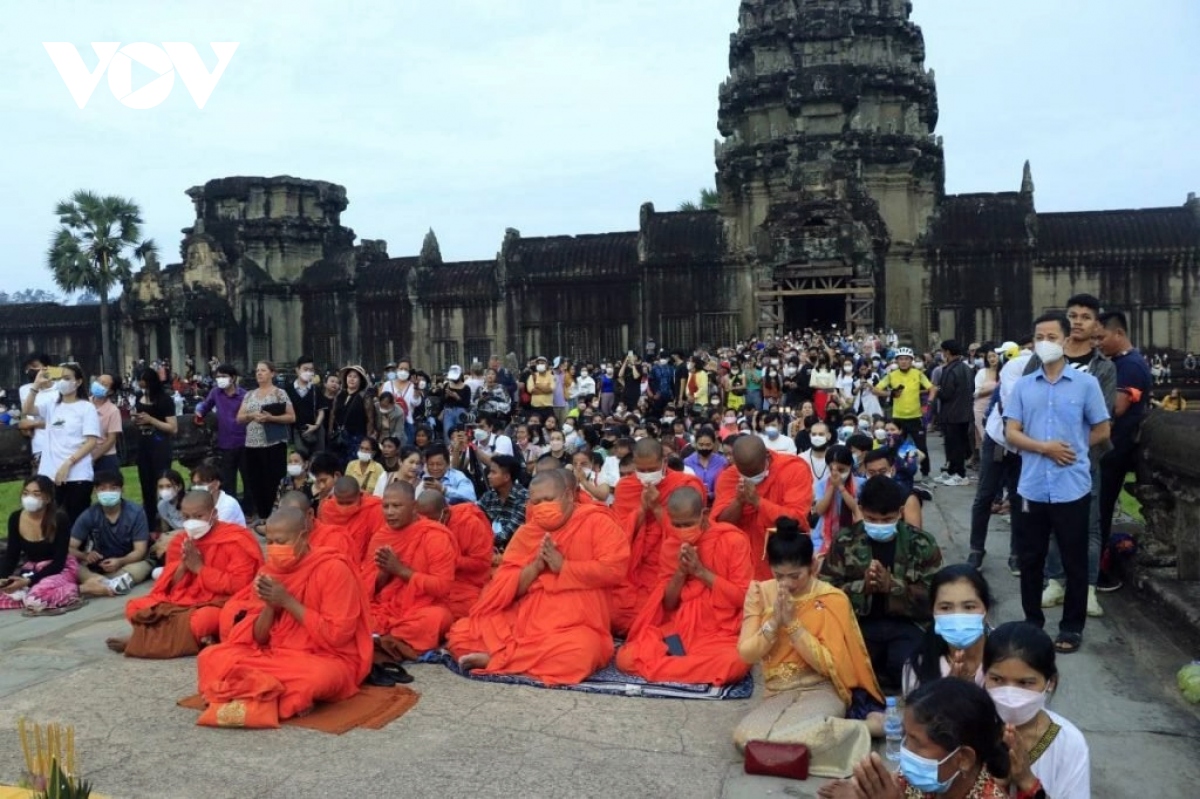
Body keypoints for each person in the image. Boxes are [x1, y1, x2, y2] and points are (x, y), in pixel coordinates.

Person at [447, 470, 630, 685]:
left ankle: (500, 659)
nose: (543, 507)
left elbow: (614, 571)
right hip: (526, 618)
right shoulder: (527, 533)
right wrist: (535, 567)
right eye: (537, 502)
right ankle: (516, 657)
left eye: (549, 500)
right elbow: (504, 586)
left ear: (569, 496)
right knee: (461, 634)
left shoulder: (597, 523)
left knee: (581, 652)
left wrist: (564, 567)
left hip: (576, 620)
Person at [197, 507, 373, 727]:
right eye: (269, 542)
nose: (273, 549)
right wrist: (270, 607)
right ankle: (276, 694)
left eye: (281, 542)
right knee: (211, 657)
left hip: (325, 658)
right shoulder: (268, 572)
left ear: (303, 537)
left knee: (314, 678)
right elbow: (259, 639)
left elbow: (337, 636)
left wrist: (288, 602)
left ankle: (252, 689)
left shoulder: (333, 569)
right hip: (275, 655)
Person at [1005, 312, 1110, 654]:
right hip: (1032, 485)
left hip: (1072, 485)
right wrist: (1044, 448)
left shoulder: (1086, 384)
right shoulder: (1024, 384)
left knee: (1074, 557)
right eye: (1039, 336)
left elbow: (1102, 429)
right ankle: (1032, 623)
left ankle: (1071, 627)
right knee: (1031, 557)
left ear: (1066, 340)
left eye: (1051, 336)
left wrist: (1077, 452)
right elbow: (1011, 432)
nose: (1045, 342)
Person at [732, 517, 883, 752]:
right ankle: (844, 730)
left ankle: (867, 727)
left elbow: (829, 664)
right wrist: (774, 622)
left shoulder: (832, 599)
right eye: (779, 575)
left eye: (795, 576)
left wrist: (792, 625)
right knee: (746, 739)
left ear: (812, 566)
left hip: (821, 687)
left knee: (800, 739)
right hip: (777, 691)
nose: (786, 584)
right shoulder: (760, 593)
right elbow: (747, 654)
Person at [615, 486, 752, 684]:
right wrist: (680, 573)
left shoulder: (732, 540)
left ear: (704, 515)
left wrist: (701, 573)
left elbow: (741, 597)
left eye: (688, 524)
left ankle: (670, 666)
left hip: (719, 631)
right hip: (679, 628)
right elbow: (669, 605)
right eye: (676, 525)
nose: (682, 531)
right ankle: (687, 665)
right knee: (626, 657)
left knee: (735, 662)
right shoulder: (671, 545)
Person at [820, 475, 943, 691]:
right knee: (848, 672)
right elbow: (825, 594)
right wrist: (862, 587)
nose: (878, 525)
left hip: (908, 625)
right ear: (861, 509)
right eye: (871, 519)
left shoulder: (921, 543)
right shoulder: (845, 541)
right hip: (859, 625)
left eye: (887, 520)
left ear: (900, 511)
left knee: (908, 670)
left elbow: (937, 599)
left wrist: (893, 587)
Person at [106, 489, 263, 657]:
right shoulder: (180, 541)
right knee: (135, 607)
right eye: (186, 517)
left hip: (216, 603)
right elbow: (167, 588)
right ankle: (196, 639)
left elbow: (239, 586)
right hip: (180, 602)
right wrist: (183, 565)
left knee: (204, 621)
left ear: (214, 514)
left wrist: (199, 569)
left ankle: (139, 639)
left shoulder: (235, 538)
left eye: (198, 516)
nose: (191, 522)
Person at [823, 678, 1010, 799]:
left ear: (963, 759)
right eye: (906, 737)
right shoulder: (925, 778)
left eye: (917, 743)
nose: (906, 751)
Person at [610, 438, 707, 635]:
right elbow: (619, 534)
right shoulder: (626, 487)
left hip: (671, 564)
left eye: (651, 469)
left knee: (657, 615)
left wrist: (655, 508)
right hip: (634, 566)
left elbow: (690, 534)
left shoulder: (685, 484)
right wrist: (642, 509)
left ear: (664, 461)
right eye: (641, 470)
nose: (646, 476)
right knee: (613, 612)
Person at [984, 622, 1090, 799]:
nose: (1010, 694)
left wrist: (1028, 782)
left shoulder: (1069, 743)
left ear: (1050, 683)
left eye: (1025, 683)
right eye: (997, 679)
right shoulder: (967, 729)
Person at [360, 481, 458, 663]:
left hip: (422, 608)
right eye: (386, 506)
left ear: (414, 507)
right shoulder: (381, 536)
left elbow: (442, 587)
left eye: (396, 506)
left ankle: (383, 638)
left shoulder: (435, 536)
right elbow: (366, 588)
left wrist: (400, 570)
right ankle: (386, 638)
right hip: (385, 607)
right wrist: (384, 573)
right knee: (356, 611)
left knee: (438, 618)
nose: (389, 512)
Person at [1095, 310, 1152, 593]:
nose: (1099, 343)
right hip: (1109, 450)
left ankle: (1097, 571)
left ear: (1119, 334)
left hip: (1116, 451)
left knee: (1101, 513)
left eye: (1101, 337)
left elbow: (1115, 408)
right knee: (1097, 511)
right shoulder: (1119, 362)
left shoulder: (1130, 365)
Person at [713, 435, 814, 580]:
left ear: (767, 454)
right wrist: (739, 502)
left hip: (783, 561)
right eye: (744, 474)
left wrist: (757, 502)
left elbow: (796, 519)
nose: (752, 478)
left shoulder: (793, 469)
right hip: (744, 562)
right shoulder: (729, 477)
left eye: (756, 473)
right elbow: (721, 525)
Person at [21, 363, 101, 524]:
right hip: (50, 473)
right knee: (50, 520)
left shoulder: (86, 408)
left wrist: (69, 463)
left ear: (78, 382)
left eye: (67, 378)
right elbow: (27, 410)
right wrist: (36, 385)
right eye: (61, 378)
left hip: (78, 474)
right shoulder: (52, 405)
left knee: (76, 521)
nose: (63, 382)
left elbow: (91, 441)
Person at [901, 564, 992, 694]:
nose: (958, 617)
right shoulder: (919, 664)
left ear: (986, 609)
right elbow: (916, 712)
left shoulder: (1005, 653)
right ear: (933, 612)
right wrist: (948, 693)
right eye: (945, 608)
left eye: (969, 607)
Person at [0, 476, 78, 612]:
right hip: (32, 570)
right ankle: (29, 594)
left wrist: (28, 582)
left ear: (47, 498)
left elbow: (58, 563)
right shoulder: (15, 518)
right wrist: (3, 578)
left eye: (36, 494)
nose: (29, 498)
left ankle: (77, 589)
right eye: (26, 493)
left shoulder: (60, 519)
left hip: (59, 569)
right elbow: (12, 555)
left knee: (36, 600)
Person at [69, 472, 153, 598]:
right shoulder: (89, 515)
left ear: (122, 490)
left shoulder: (136, 513)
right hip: (98, 566)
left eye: (113, 488)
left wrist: (120, 561)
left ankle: (99, 583)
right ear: (95, 491)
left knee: (144, 566)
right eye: (102, 489)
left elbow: (140, 550)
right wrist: (85, 556)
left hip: (128, 564)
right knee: (71, 565)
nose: (108, 492)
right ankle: (104, 582)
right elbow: (70, 547)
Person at [415, 490, 493, 619]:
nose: (425, 523)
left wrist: (452, 560)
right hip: (433, 581)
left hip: (465, 584)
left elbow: (483, 563)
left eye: (430, 519)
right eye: (421, 518)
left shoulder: (470, 523)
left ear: (444, 513)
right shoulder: (422, 524)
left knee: (463, 610)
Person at [237, 361, 295, 527]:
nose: (259, 374)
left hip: (274, 442)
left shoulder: (279, 393)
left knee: (274, 479)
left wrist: (271, 418)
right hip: (252, 443)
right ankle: (262, 515)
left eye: (263, 370)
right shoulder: (249, 395)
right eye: (257, 371)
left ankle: (274, 514)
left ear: (272, 373)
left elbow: (291, 417)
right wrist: (251, 415)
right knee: (256, 479)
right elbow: (239, 417)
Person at [873, 347, 937, 480]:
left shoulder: (918, 373)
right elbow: (876, 389)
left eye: (907, 359)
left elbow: (932, 388)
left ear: (911, 360)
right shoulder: (892, 375)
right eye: (901, 359)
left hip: (915, 417)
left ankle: (925, 474)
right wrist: (890, 393)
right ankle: (895, 472)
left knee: (921, 447)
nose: (904, 362)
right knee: (896, 447)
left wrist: (929, 403)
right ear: (897, 361)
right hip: (898, 419)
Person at [194, 363, 249, 518]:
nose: (220, 379)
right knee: (227, 480)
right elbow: (204, 406)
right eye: (218, 376)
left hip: (245, 441)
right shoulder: (216, 393)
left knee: (248, 478)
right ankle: (229, 510)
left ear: (233, 378)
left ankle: (249, 511)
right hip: (226, 443)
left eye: (223, 376)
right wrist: (198, 413)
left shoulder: (244, 395)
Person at [131, 367, 179, 531]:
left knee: (162, 480)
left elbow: (173, 427)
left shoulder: (164, 400)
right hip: (143, 442)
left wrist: (151, 419)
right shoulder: (139, 397)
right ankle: (150, 520)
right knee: (145, 482)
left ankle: (167, 518)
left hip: (159, 443)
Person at [810, 445, 866, 556]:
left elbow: (856, 508)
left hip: (855, 532)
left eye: (841, 470)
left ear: (850, 466)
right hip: (824, 535)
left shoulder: (861, 483)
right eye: (832, 469)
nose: (836, 474)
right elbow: (819, 511)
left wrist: (841, 488)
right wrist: (831, 487)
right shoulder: (822, 485)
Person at [318, 476, 385, 566]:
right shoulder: (327, 509)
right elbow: (323, 540)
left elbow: (378, 544)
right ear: (334, 497)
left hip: (363, 566)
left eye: (349, 503)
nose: (345, 508)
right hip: (334, 563)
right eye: (341, 503)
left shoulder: (374, 509)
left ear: (360, 495)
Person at [934, 340, 974, 486]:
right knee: (957, 444)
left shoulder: (950, 369)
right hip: (964, 412)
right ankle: (952, 471)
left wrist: (937, 391)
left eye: (943, 351)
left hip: (952, 413)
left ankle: (959, 473)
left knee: (954, 445)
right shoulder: (966, 368)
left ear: (948, 352)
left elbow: (946, 393)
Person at [862, 449, 922, 530]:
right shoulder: (863, 495)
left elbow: (915, 535)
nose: (877, 476)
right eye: (872, 473)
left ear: (892, 470)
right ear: (865, 472)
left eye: (882, 471)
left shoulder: (907, 498)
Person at [478, 454, 529, 550]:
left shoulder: (524, 498)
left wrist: (483, 542)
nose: (489, 476)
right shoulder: (489, 496)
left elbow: (507, 534)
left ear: (506, 477)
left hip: (515, 550)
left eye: (493, 473)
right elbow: (475, 517)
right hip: (489, 548)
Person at [327, 365, 375, 463]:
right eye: (349, 376)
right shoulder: (339, 394)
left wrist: (368, 440)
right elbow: (333, 415)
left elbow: (370, 419)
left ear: (360, 380)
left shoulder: (364, 397)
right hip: (339, 437)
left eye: (355, 377)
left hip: (357, 438)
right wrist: (330, 433)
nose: (351, 379)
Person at [284, 355, 328, 460]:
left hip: (315, 431)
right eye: (305, 369)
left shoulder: (315, 390)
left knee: (317, 461)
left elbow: (321, 411)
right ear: (297, 370)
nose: (308, 372)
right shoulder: (288, 390)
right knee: (299, 459)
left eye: (311, 370)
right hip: (296, 431)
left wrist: (316, 426)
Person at [189, 462, 248, 527]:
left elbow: (214, 531)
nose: (197, 487)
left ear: (216, 484)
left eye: (201, 484)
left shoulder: (228, 505)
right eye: (194, 484)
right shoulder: (201, 501)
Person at [88, 374, 123, 475]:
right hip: (82, 454)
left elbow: (111, 439)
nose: (98, 385)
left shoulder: (113, 411)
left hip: (105, 457)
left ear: (110, 391)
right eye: (98, 381)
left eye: (104, 384)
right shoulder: (84, 402)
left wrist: (93, 458)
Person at [682, 427, 728, 498]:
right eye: (701, 444)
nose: (704, 448)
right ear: (696, 444)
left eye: (708, 445)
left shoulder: (722, 462)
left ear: (713, 444)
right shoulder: (687, 462)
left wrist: (712, 494)